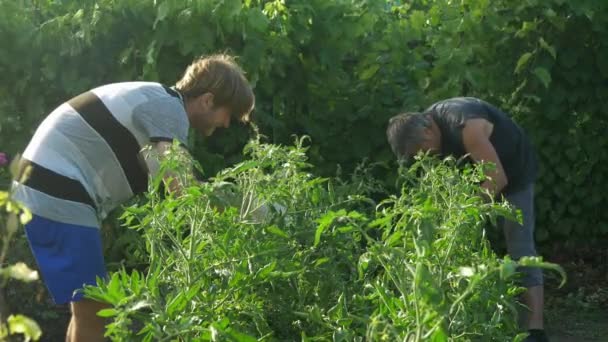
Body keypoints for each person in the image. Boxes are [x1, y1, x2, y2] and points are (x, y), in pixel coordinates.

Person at [11, 54, 255, 342]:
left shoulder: (157, 100)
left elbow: (167, 179)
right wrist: (241, 215)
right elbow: (181, 187)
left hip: (49, 184)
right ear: (208, 100)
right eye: (228, 113)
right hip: (57, 188)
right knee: (96, 309)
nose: (226, 124)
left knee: (88, 307)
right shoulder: (169, 109)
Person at [386, 97, 548, 342]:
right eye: (416, 155)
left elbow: (496, 178)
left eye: (421, 150)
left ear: (428, 130)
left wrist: (462, 216)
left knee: (520, 247)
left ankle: (535, 330)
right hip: (482, 173)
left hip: (513, 172)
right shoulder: (432, 130)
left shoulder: (465, 125)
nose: (423, 157)